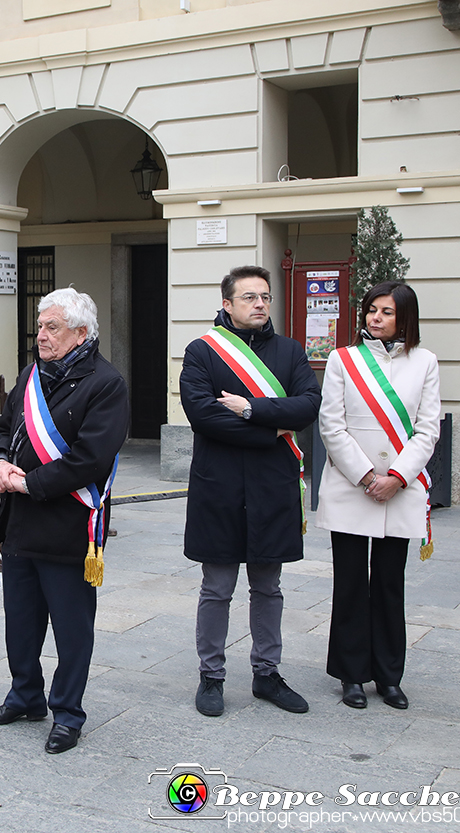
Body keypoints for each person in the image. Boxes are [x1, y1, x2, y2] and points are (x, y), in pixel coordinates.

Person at [0, 288, 129, 755]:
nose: (41, 335)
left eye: (52, 328)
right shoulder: (31, 374)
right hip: (21, 523)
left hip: (69, 527)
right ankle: (25, 696)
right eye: (41, 326)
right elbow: (4, 428)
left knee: (71, 629)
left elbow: (90, 458)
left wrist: (30, 482)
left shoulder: (106, 384)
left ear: (81, 333)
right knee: (20, 622)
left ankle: (67, 712)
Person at [180, 265, 320, 717]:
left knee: (268, 586)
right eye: (249, 298)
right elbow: (203, 415)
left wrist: (250, 408)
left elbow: (307, 406)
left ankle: (267, 674)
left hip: (271, 485)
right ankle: (212, 676)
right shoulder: (202, 352)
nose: (260, 304)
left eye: (264, 297)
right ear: (227, 304)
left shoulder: (290, 351)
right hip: (218, 485)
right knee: (217, 587)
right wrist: (269, 426)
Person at [316, 281, 439, 710]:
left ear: (405, 316)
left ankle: (389, 676)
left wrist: (398, 477)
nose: (375, 318)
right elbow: (332, 425)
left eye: (386, 312)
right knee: (350, 583)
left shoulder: (424, 362)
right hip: (353, 487)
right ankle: (351, 674)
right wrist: (368, 476)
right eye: (371, 310)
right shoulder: (343, 359)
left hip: (400, 490)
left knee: (389, 584)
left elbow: (428, 430)